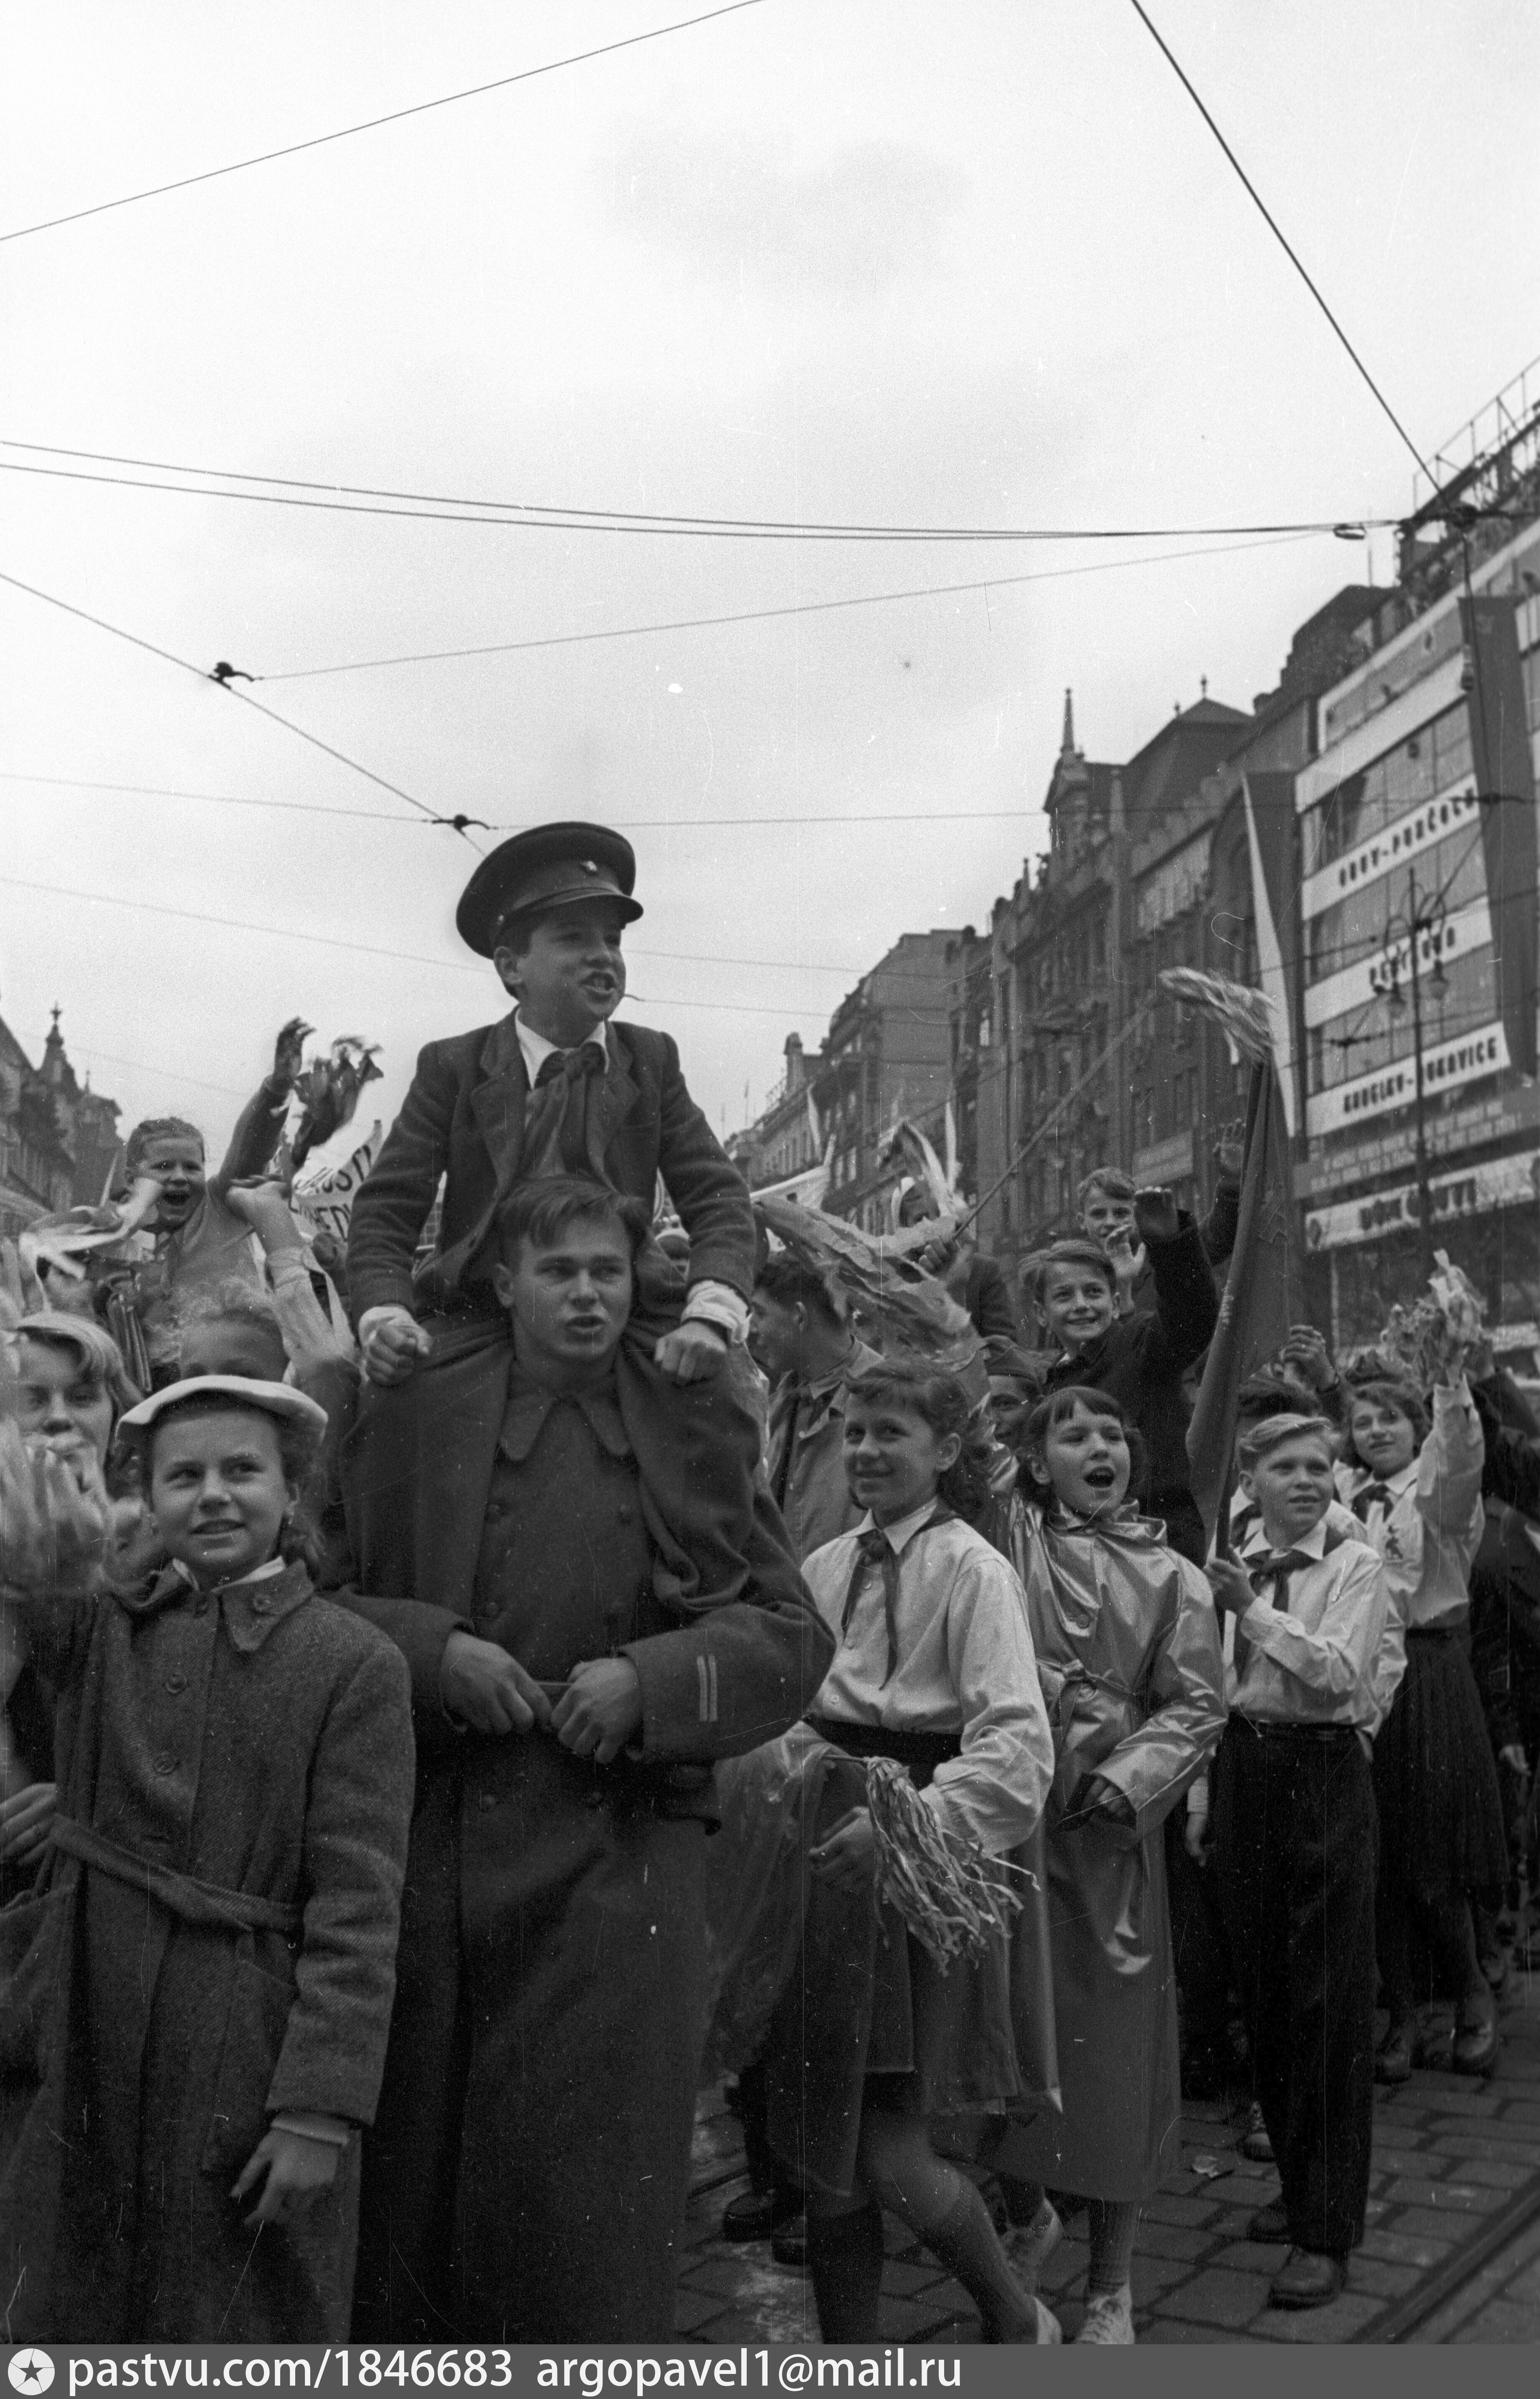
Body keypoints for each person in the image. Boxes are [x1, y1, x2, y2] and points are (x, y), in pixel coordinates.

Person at [341, 1177, 832, 2342]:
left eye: (607, 1271)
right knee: (423, 2204)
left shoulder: (690, 1424)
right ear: (504, 1281)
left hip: (622, 1861)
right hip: (437, 1854)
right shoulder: (413, 1414)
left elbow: (790, 1633)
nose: (586, 1296)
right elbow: (316, 1593)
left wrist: (651, 1683)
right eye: (557, 1271)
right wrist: (433, 1653)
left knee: (584, 2218)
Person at [0, 1377, 414, 2341]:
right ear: (147, 1501)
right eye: (183, 1476)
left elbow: (358, 1903)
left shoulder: (352, 1662)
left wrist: (318, 2110)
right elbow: (38, 1584)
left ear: (291, 1491)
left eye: (243, 1470)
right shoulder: (106, 1625)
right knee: (67, 2298)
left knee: (232, 2314)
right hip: (85, 2012)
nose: (215, 1494)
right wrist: (41, 1565)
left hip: (243, 2046)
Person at [752, 1359, 1059, 2345]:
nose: (866, 1450)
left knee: (888, 2147)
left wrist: (899, 1828)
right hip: (820, 1855)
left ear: (944, 1450)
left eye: (890, 1432)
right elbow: (790, 1706)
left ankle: (1017, 2318)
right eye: (853, 1432)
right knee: (825, 2157)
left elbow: (1015, 1747)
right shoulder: (823, 1564)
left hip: (907, 1858)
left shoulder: (972, 1568)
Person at [347, 822, 752, 1391]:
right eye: (573, 938)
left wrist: (710, 1315)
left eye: (612, 939)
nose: (603, 957)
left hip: (626, 1317)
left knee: (729, 1401)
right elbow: (387, 1210)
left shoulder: (650, 1059)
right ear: (512, 967)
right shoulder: (453, 1067)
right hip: (479, 1318)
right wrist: (387, 1318)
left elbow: (719, 1198)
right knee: (390, 1412)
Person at [990, 1387, 1225, 2343]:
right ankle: (1022, 2214)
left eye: (1110, 1433)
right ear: (1032, 1461)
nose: (1099, 1446)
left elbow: (1196, 1701)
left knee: (1114, 2047)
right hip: (1011, 1797)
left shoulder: (1174, 1575)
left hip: (1105, 1826)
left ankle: (1109, 2287)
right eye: (1070, 1432)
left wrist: (1132, 1781)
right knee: (1003, 2029)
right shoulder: (1009, 1540)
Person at [1206, 1413, 1387, 2311]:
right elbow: (1209, 1682)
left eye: (1319, 1464)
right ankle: (1295, 2180)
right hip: (1244, 1765)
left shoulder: (1353, 1563)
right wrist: (1202, 1802)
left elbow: (1338, 1673)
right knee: (1266, 1990)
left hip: (1319, 1772)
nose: (1308, 1479)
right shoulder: (1232, 1558)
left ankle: (1327, 2229)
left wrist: (1249, 1608)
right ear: (1250, 1481)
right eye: (1285, 1466)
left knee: (1325, 1999)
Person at [1341, 1371, 1502, 2081]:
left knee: (1433, 1852)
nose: (1376, 1430)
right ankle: (1402, 2016)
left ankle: (1471, 1992)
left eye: (1390, 1418)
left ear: (1417, 1428)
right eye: (1363, 1420)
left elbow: (1458, 1459)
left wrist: (1448, 1388)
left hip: (1426, 1672)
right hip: (1358, 1675)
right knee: (1377, 1854)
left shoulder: (1437, 1496)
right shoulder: (1341, 1494)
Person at [109, 1018, 314, 1380]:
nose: (179, 1177)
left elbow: (249, 1151)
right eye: (163, 1167)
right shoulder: (113, 1233)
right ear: (131, 1178)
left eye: (192, 1167)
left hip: (240, 1368)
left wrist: (276, 1090)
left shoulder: (219, 1205)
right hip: (156, 1385)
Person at [1024, 1189, 1218, 1565]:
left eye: (1093, 1292)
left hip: (1157, 1549)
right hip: (1083, 1556)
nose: (1081, 1306)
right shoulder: (1049, 1385)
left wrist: (1170, 1244)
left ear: (1115, 1303)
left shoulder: (1139, 1345)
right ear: (1042, 1313)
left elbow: (1192, 1318)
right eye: (1064, 1296)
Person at [750, 1251, 881, 1562]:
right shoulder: (779, 1400)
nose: (752, 1328)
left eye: (760, 1313)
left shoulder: (886, 1397)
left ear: (799, 1317)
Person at [895, 1182, 1018, 1343]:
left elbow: (1005, 1347)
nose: (932, 1225)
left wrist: (956, 1291)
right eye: (919, 1219)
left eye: (939, 1214)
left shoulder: (984, 1270)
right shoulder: (895, 1281)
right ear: (904, 1229)